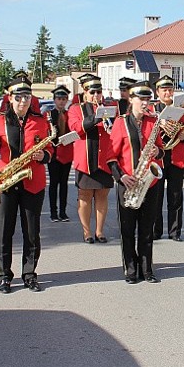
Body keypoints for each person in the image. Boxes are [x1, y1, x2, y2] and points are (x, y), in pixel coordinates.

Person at [0, 74, 53, 294]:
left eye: (27, 97)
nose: (23, 101)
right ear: (10, 98)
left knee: (32, 232)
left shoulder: (40, 122)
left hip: (33, 182)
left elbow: (51, 150)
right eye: (18, 97)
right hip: (6, 182)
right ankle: (4, 276)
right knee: (4, 231)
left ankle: (29, 274)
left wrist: (44, 156)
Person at [108, 82, 163, 284]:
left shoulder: (153, 121)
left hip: (150, 183)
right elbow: (111, 156)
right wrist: (121, 176)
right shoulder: (120, 122)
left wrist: (158, 151)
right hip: (128, 182)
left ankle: (147, 269)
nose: (145, 103)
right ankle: (131, 269)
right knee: (128, 229)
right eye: (141, 99)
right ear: (131, 100)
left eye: (148, 99)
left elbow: (161, 148)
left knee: (147, 229)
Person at [68, 77, 114, 243]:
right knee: (85, 196)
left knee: (102, 195)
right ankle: (86, 231)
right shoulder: (75, 109)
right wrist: (96, 117)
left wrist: (110, 125)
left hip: (104, 158)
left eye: (99, 92)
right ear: (85, 93)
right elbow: (76, 128)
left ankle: (99, 231)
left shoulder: (109, 108)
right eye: (92, 92)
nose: (96, 95)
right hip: (85, 159)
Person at [152, 75, 184, 241]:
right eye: (164, 90)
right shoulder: (152, 110)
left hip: (177, 156)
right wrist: (159, 123)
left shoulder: (183, 110)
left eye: (170, 89)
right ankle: (156, 230)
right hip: (159, 158)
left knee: (175, 196)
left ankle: (175, 232)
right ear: (158, 92)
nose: (168, 92)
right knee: (156, 196)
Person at [46, 85, 74, 222]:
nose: (62, 101)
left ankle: (63, 212)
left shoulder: (70, 114)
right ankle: (53, 212)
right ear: (54, 100)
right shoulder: (50, 115)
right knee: (53, 183)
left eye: (64, 99)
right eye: (59, 99)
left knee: (64, 184)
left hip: (67, 153)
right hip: (54, 153)